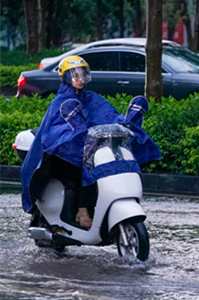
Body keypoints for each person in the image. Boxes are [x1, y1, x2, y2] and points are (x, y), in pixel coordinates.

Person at [20, 55, 161, 228]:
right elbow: (56, 132)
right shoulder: (61, 102)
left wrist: (126, 122)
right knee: (85, 170)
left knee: (108, 165)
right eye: (75, 75)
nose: (80, 79)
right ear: (65, 77)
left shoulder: (91, 98)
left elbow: (109, 115)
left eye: (83, 74)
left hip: (90, 150)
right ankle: (82, 210)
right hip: (65, 158)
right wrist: (75, 136)